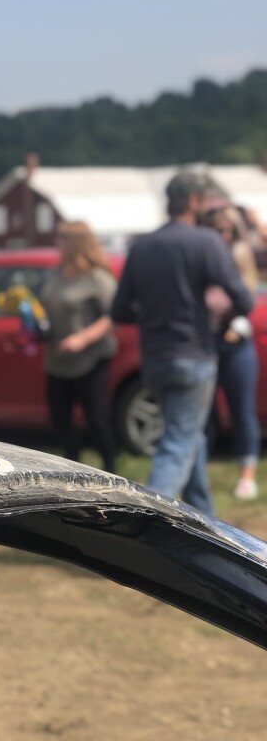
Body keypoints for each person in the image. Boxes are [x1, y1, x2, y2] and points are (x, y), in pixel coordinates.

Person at [111, 172, 253, 515]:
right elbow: (244, 300)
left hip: (155, 359)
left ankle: (207, 521)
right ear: (192, 201)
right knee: (178, 442)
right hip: (194, 355)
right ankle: (146, 522)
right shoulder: (205, 242)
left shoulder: (141, 246)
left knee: (191, 438)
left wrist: (152, 318)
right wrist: (216, 322)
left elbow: (119, 310)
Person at [40, 221, 117, 471]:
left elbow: (113, 317)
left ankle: (110, 468)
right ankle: (73, 470)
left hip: (90, 360)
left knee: (96, 418)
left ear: (75, 244)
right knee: (60, 420)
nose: (57, 245)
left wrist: (82, 338)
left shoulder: (97, 278)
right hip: (57, 360)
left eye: (61, 240)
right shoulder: (56, 274)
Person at [202, 205, 261, 498]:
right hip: (207, 342)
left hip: (237, 343)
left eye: (229, 230)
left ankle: (247, 475)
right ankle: (200, 477)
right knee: (203, 412)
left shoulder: (241, 257)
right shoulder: (202, 259)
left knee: (242, 411)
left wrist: (238, 325)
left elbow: (250, 301)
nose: (224, 235)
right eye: (218, 229)